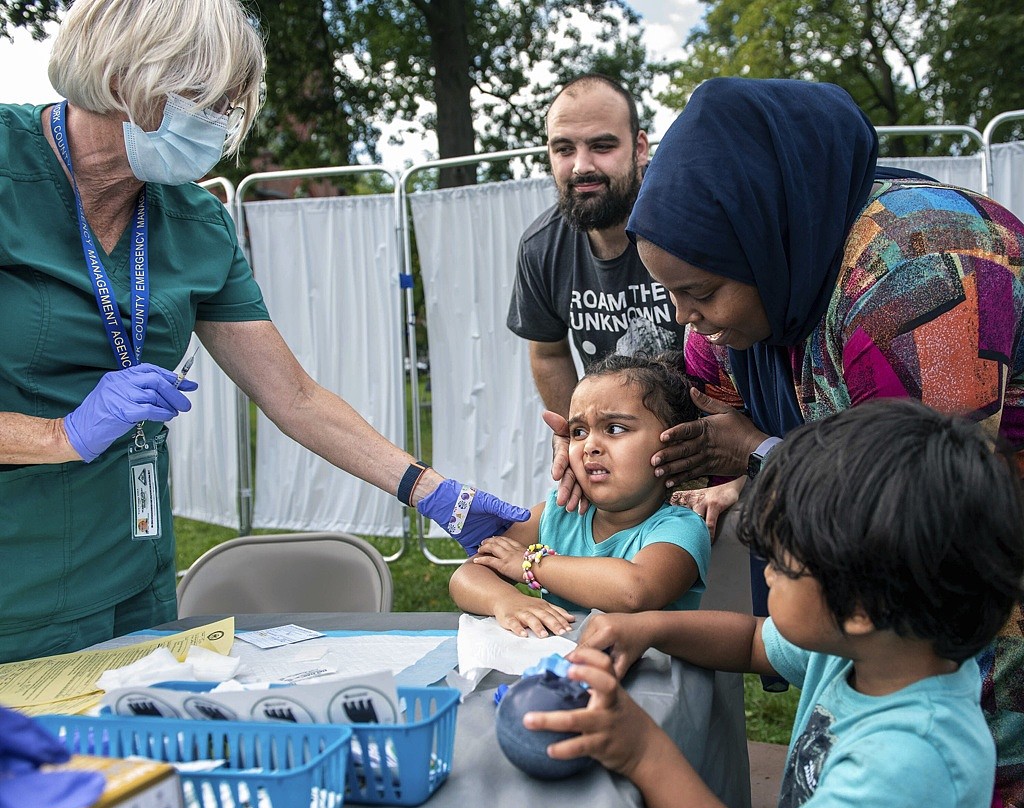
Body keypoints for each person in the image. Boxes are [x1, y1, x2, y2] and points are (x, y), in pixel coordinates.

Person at [0, 0, 527, 665]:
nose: (219, 127)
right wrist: (58, 436)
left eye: (228, 107)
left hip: (128, 573)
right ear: (123, 77)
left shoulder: (194, 222)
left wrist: (434, 492)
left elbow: (294, 397)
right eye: (204, 102)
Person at [526, 401, 1024, 808]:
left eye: (782, 564)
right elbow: (752, 642)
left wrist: (645, 756)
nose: (766, 573)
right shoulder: (881, 650)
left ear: (859, 607)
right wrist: (649, 628)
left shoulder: (907, 762)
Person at [449, 351, 711, 638]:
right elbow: (468, 575)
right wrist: (507, 600)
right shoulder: (559, 514)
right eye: (579, 432)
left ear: (676, 446)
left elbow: (635, 591)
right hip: (563, 675)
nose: (590, 446)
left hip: (651, 679)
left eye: (614, 428)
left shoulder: (681, 527)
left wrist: (531, 564)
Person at [506, 73, 686, 417]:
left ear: (640, 148)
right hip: (618, 449)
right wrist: (577, 434)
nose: (581, 166)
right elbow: (548, 352)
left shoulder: (688, 222)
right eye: (564, 149)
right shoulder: (540, 247)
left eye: (602, 146)